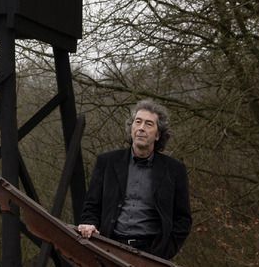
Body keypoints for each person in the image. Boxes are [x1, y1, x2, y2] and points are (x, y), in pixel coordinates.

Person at [77, 99, 192, 259]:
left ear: (158, 134)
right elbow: (91, 205)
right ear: (131, 128)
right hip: (109, 247)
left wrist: (163, 253)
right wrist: (90, 224)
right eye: (138, 122)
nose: (141, 128)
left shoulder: (174, 170)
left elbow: (183, 219)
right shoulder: (107, 162)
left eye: (148, 124)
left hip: (152, 252)